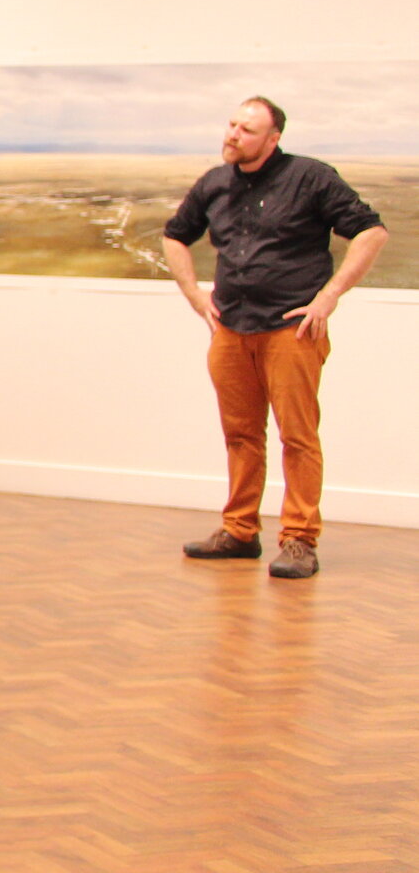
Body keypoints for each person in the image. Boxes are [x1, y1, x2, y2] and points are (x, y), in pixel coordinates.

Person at [162, 96, 389, 580]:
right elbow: (175, 235)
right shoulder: (215, 183)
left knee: (297, 437)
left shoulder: (310, 177)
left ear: (273, 138)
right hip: (231, 329)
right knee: (241, 434)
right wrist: (194, 294)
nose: (232, 135)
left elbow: (370, 232)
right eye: (231, 125)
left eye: (246, 129)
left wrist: (329, 297)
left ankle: (300, 539)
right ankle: (240, 531)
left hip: (291, 328)